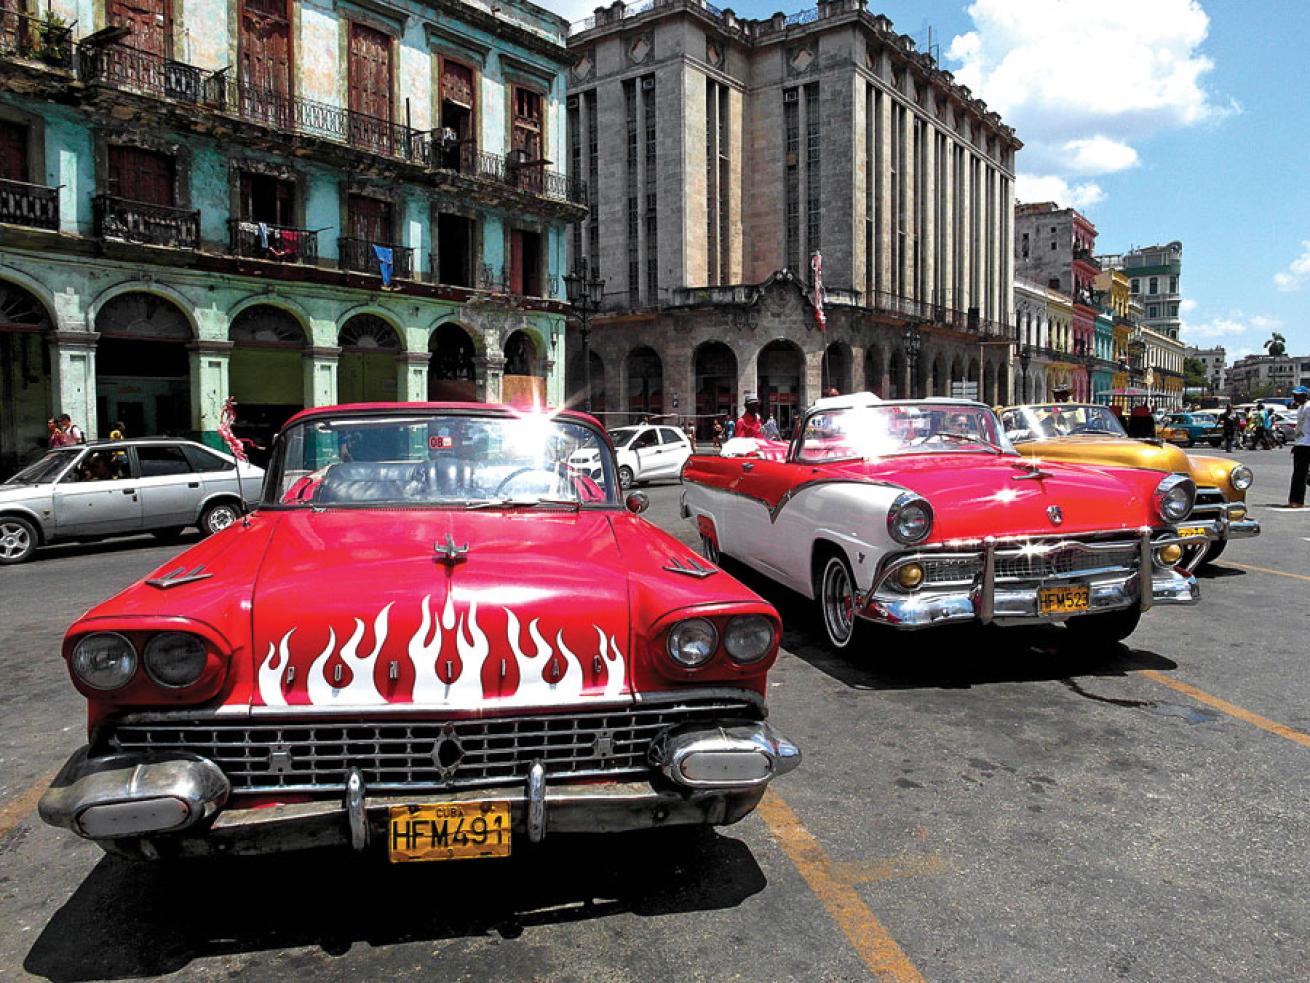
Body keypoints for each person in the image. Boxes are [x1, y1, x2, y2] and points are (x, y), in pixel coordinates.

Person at [1287, 386, 1310, 508]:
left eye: (1298, 395)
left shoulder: (1309, 407)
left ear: (1305, 396)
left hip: (1308, 444)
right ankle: (1295, 500)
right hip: (1301, 443)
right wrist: (1296, 443)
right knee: (1298, 473)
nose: (1295, 397)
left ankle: (1297, 500)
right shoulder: (1300, 408)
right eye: (1294, 395)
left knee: (1300, 474)